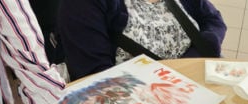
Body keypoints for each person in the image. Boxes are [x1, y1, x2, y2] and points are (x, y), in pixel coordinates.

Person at [57, 0, 226, 81]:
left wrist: (195, 56)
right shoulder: (81, 5)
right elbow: (96, 78)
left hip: (195, 82)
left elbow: (214, 21)